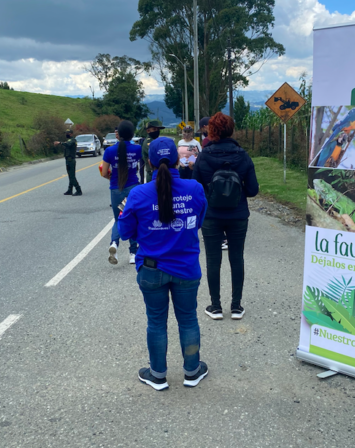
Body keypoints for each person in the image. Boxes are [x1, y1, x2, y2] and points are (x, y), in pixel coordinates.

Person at [118, 137, 209, 391]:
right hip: (186, 268)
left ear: (149, 163)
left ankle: (157, 374)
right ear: (179, 161)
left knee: (156, 322)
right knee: (188, 319)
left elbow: (125, 232)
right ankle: (192, 370)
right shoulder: (195, 189)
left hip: (151, 269)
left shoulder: (137, 194)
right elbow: (200, 220)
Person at [192, 112, 258, 320]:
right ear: (231, 130)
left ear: (211, 131)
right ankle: (236, 307)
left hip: (211, 215)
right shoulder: (243, 155)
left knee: (213, 260)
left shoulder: (204, 156)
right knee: (237, 258)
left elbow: (195, 188)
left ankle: (216, 306)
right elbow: (253, 189)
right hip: (238, 214)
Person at [100, 121, 141, 265]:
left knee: (118, 219)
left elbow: (104, 172)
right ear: (132, 134)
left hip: (116, 189)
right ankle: (133, 253)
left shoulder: (109, 151)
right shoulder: (137, 149)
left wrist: (111, 178)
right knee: (133, 219)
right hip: (132, 189)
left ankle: (114, 244)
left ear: (118, 134)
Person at [55, 128, 82, 196]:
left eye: (68, 133)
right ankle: (70, 190)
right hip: (68, 160)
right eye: (66, 133)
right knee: (70, 176)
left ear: (71, 134)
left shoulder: (73, 140)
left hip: (71, 160)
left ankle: (78, 190)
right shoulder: (68, 140)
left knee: (72, 176)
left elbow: (68, 144)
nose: (66, 134)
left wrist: (60, 143)